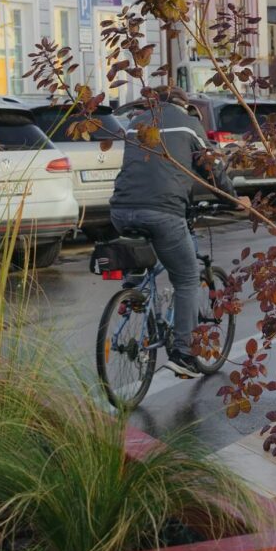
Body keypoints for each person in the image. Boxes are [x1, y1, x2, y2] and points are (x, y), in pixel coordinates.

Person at [110, 88, 216, 378]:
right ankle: (183, 355)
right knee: (187, 278)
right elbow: (210, 166)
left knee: (146, 257)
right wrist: (232, 196)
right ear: (184, 106)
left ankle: (134, 291)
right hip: (163, 211)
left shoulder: (136, 123)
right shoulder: (188, 124)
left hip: (120, 210)